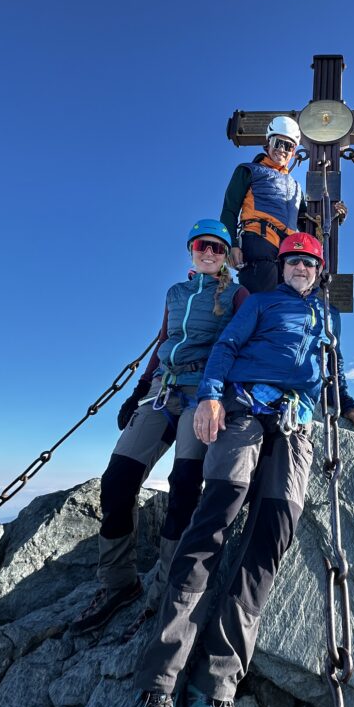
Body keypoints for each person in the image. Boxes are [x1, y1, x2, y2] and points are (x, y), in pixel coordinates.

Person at [130, 233, 354, 707]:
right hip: (242, 410)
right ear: (281, 267)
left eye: (309, 264)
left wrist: (348, 405)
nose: (301, 270)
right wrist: (211, 395)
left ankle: (211, 691)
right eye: (293, 262)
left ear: (318, 272)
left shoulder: (326, 321)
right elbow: (225, 347)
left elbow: (331, 373)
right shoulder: (262, 304)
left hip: (295, 426)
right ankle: (158, 692)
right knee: (210, 528)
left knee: (269, 541)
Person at [71, 220, 248, 635]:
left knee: (184, 485)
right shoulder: (176, 293)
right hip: (161, 389)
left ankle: (166, 589)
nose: (209, 253)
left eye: (218, 249)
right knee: (117, 480)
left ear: (226, 256)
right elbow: (163, 342)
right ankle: (118, 583)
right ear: (190, 249)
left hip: (202, 392)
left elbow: (240, 343)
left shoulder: (237, 294)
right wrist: (136, 391)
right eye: (203, 245)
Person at [220, 115, 345, 293]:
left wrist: (332, 216)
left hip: (289, 252)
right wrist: (232, 245)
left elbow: (306, 221)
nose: (282, 149)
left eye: (288, 146)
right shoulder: (248, 171)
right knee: (262, 302)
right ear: (268, 143)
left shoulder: (295, 187)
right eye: (278, 142)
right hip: (259, 244)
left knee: (285, 305)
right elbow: (229, 210)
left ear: (294, 151)